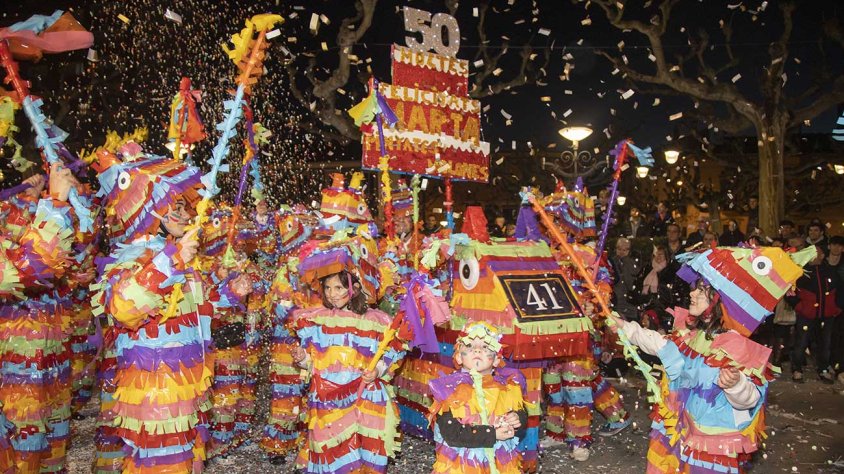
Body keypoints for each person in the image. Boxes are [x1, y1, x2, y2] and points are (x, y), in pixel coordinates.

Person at [90, 148, 252, 471]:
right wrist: (171, 261)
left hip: (189, 397)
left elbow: (197, 308)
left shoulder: (179, 259)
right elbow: (122, 307)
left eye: (183, 207)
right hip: (156, 400)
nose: (184, 215)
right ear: (150, 214)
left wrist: (232, 292)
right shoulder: (131, 257)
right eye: (174, 208)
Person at [608, 244, 814, 473]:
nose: (692, 293)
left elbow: (750, 401)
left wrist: (735, 385)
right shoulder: (693, 333)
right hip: (679, 430)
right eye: (695, 288)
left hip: (709, 445)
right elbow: (659, 344)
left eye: (701, 290)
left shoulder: (736, 346)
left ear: (721, 301)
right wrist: (624, 327)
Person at [291, 268, 406, 473]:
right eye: (327, 288)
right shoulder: (318, 320)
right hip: (327, 400)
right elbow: (315, 362)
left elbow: (391, 353)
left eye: (338, 287)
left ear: (355, 288)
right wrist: (302, 359)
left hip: (363, 395)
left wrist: (377, 372)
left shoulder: (376, 321)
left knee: (361, 447)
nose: (331, 294)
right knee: (329, 447)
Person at [427, 322, 527, 473]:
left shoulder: (507, 387)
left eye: (485, 346)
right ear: (459, 357)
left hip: (499, 460)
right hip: (463, 464)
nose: (477, 349)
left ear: (495, 360)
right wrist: (492, 434)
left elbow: (522, 414)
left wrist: (516, 418)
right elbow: (452, 434)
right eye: (469, 346)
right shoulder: (449, 391)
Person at [786, 245, 841, 384]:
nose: (813, 255)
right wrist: (799, 306)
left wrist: (837, 308)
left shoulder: (830, 271)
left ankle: (823, 369)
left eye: (816, 252)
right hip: (807, 315)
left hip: (826, 316)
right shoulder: (800, 272)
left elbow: (840, 291)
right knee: (801, 342)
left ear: (822, 255)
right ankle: (797, 369)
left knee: (825, 344)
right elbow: (789, 291)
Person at [610, 237, 640, 321]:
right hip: (616, 305)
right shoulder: (610, 262)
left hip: (630, 306)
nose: (621, 252)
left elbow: (632, 283)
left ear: (629, 251)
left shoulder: (633, 263)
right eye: (619, 249)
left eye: (625, 249)